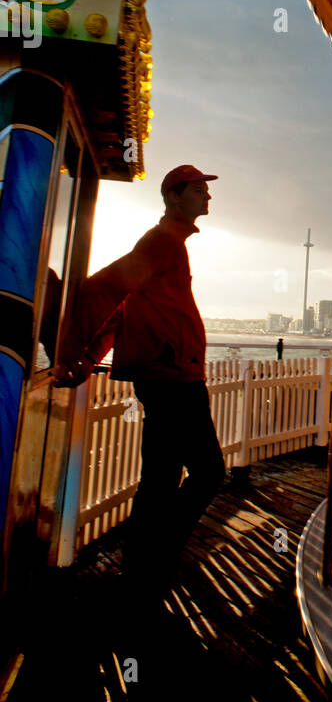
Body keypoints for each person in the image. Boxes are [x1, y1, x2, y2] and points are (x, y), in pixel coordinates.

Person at [56, 165, 225, 591]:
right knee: (208, 474)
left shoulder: (169, 244)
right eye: (200, 191)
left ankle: (142, 568)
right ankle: (156, 557)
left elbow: (123, 306)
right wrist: (73, 352)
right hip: (173, 380)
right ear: (173, 198)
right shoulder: (162, 242)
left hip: (168, 376)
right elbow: (109, 290)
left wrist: (87, 356)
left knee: (161, 478)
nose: (208, 197)